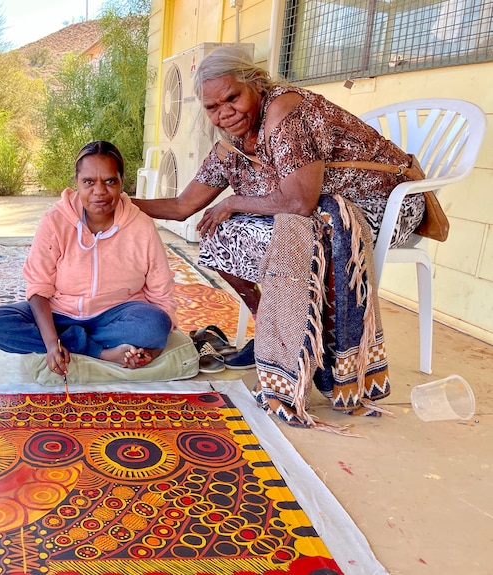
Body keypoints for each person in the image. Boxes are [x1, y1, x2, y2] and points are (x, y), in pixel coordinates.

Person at [132, 46, 425, 431]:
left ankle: (320, 350)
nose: (225, 113)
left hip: (384, 204)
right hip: (319, 211)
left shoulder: (285, 110)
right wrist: (113, 201)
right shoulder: (231, 146)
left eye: (232, 97)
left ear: (255, 83)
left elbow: (299, 201)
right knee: (219, 235)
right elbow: (183, 206)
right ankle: (272, 330)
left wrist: (234, 200)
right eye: (213, 107)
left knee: (289, 236)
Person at [0, 140, 177, 377]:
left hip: (115, 316)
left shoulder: (141, 226)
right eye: (89, 182)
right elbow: (38, 287)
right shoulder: (55, 220)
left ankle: (73, 344)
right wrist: (52, 343)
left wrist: (154, 345)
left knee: (154, 325)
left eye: (110, 181)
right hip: (60, 313)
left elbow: (160, 292)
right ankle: (100, 353)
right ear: (77, 183)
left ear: (122, 182)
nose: (99, 191)